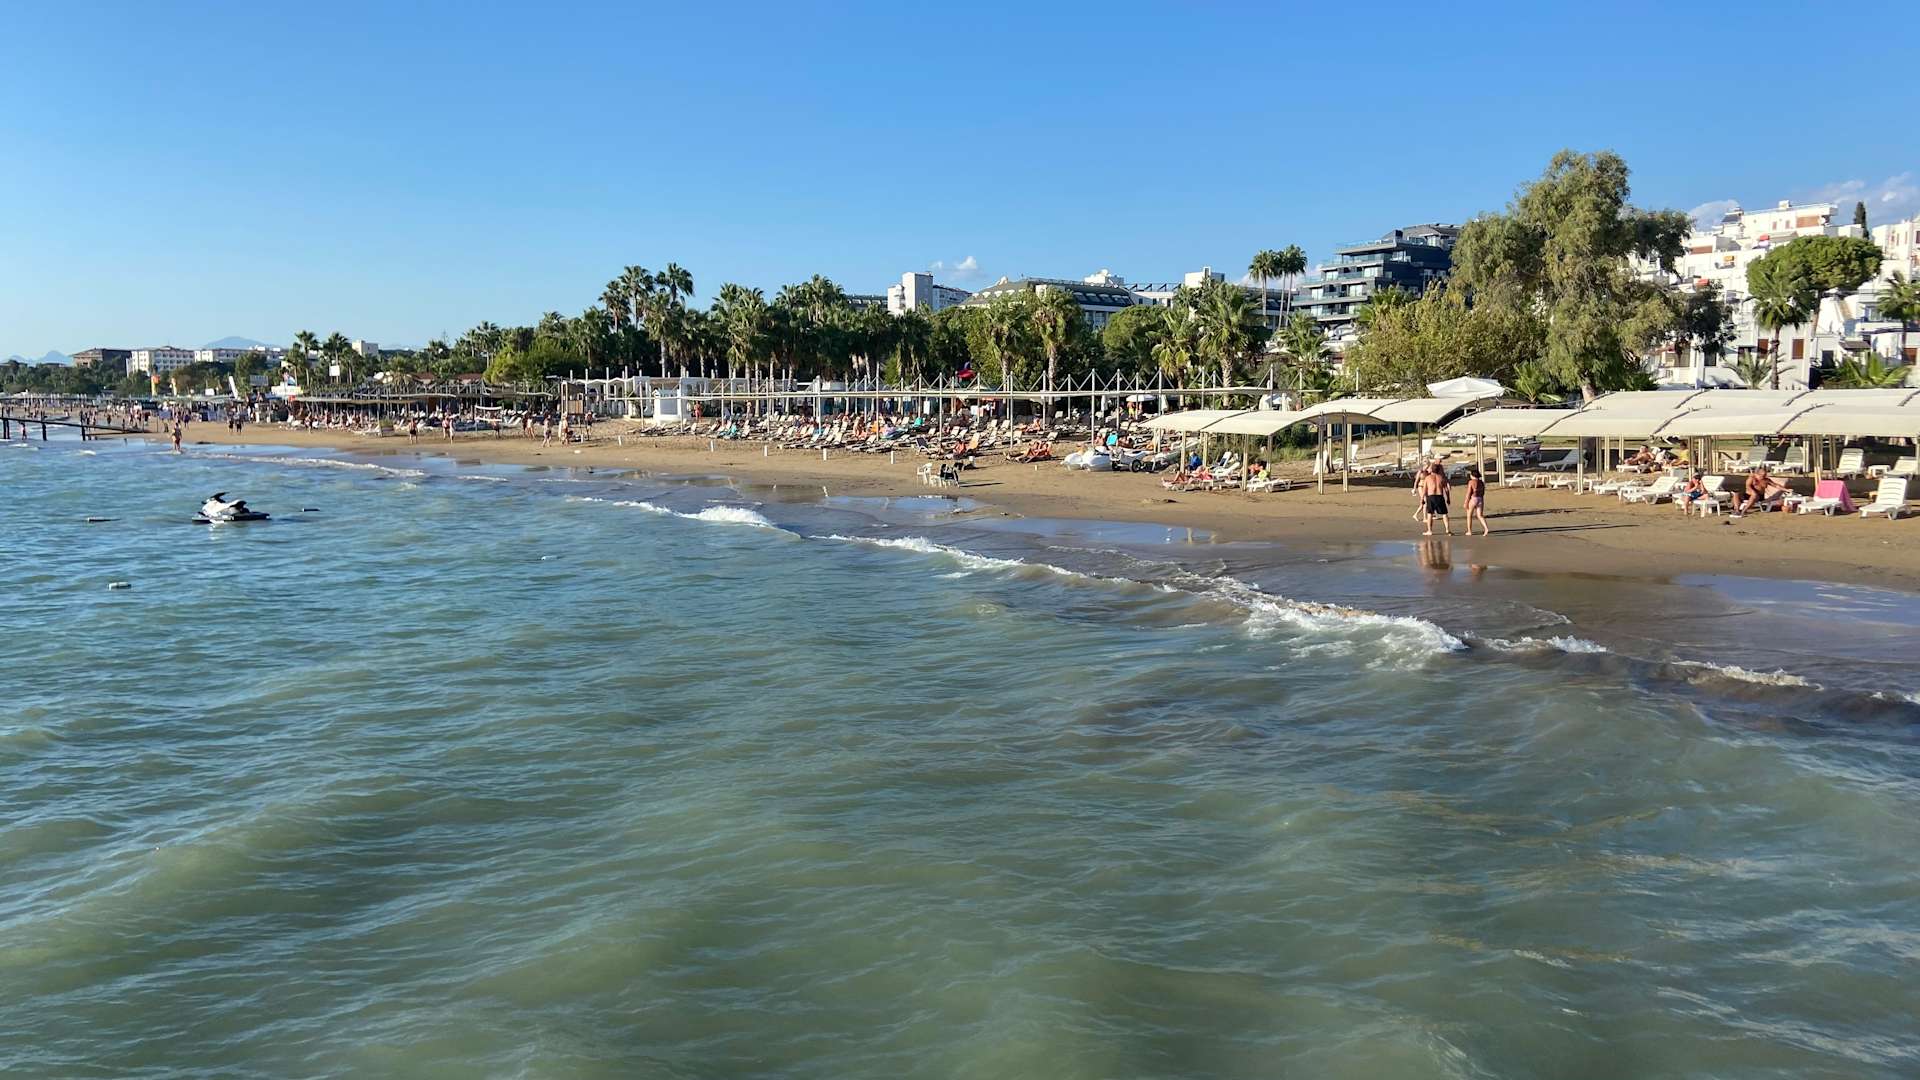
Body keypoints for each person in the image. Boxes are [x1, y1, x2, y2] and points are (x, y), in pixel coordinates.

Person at [1419, 461, 1452, 536]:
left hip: (1431, 497)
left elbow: (1424, 490)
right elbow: (1446, 489)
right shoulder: (1441, 478)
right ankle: (1447, 530)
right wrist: (1448, 498)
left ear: (1431, 470)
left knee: (1430, 514)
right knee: (1444, 514)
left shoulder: (1428, 478)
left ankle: (1429, 530)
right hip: (1440, 496)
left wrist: (1422, 499)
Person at [1464, 467, 1489, 536]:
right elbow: (1483, 492)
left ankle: (1469, 531)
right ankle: (1486, 528)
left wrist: (1466, 502)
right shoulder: (1481, 482)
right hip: (1480, 499)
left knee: (1469, 515)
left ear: (1472, 475)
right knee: (1480, 515)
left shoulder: (1471, 482)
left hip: (1473, 499)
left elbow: (1469, 493)